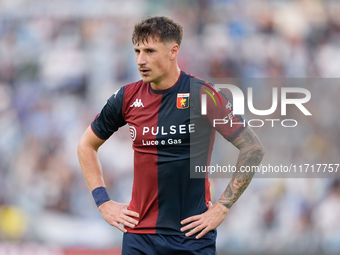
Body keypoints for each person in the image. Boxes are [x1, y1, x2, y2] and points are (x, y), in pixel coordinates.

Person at [77, 16, 265, 255]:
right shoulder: (126, 98)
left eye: (150, 51)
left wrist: (222, 207)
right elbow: (86, 145)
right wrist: (103, 202)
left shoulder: (203, 95)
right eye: (137, 51)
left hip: (192, 236)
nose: (140, 60)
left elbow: (253, 148)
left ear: (173, 51)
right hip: (139, 236)